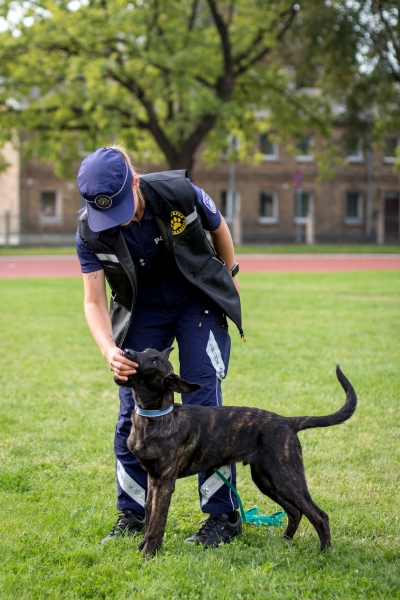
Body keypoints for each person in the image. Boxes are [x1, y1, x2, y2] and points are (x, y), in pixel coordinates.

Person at [75, 145, 244, 547]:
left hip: (196, 300)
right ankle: (133, 514)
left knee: (205, 402)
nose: (119, 220)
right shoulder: (89, 230)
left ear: (135, 182)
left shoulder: (179, 192)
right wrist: (108, 351)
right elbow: (94, 301)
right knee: (131, 413)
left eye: (122, 207)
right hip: (143, 311)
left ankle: (223, 517)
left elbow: (218, 227)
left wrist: (232, 277)